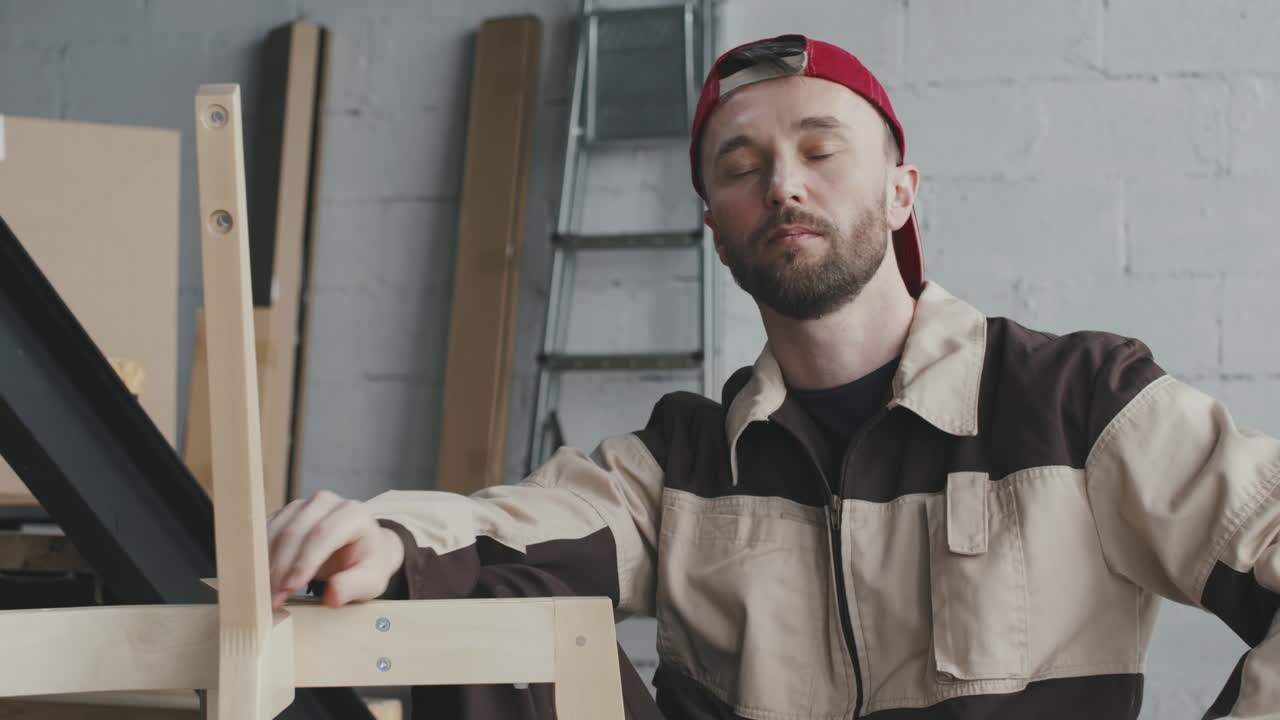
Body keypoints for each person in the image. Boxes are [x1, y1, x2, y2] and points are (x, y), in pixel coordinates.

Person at [267, 35, 1280, 719]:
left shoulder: (1073, 402)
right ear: (713, 226)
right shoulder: (683, 463)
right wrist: (390, 539)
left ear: (899, 191)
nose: (781, 183)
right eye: (739, 164)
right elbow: (508, 527)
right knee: (482, 619)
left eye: (817, 149)